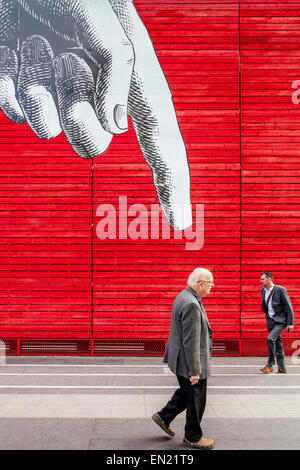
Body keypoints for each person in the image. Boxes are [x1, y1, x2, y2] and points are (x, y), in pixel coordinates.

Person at [152, 267, 215, 450]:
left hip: (181, 358)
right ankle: (193, 437)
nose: (212, 286)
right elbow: (190, 341)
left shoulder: (184, 296)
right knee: (196, 399)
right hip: (190, 362)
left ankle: (164, 416)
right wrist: (195, 370)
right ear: (200, 283)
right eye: (210, 283)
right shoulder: (191, 304)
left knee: (187, 392)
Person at [260, 271, 295, 374]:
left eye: (263, 279)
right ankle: (282, 369)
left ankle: (270, 363)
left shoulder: (280, 290)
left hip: (280, 321)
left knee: (270, 339)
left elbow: (289, 307)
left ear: (269, 279)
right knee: (278, 345)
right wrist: (268, 316)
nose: (261, 281)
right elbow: (265, 305)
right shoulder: (263, 290)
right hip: (270, 321)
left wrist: (290, 323)